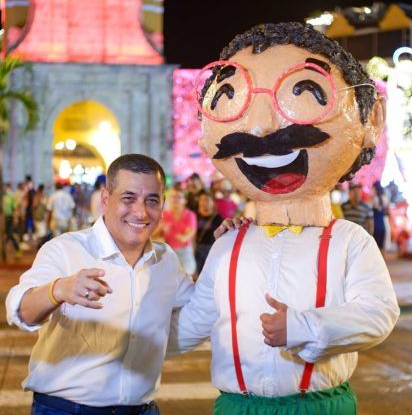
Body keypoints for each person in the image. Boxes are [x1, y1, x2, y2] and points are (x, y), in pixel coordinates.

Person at [169, 22, 398, 414]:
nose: (259, 127)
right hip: (238, 407)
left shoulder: (348, 241)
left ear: (370, 120)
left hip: (318, 405)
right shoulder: (229, 246)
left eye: (305, 91)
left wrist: (303, 328)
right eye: (229, 97)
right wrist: (123, 312)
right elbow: (190, 325)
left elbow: (378, 313)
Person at [6, 154, 192, 415]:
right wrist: (58, 290)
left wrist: (230, 243)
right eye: (128, 198)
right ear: (106, 199)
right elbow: (22, 311)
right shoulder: (65, 249)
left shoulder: (166, 260)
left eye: (152, 200)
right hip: (66, 409)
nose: (140, 212)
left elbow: (204, 307)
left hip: (143, 409)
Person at [162, 189, 198, 277]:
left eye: (179, 197)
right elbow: (155, 234)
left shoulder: (190, 215)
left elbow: (185, 237)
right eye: (173, 197)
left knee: (187, 274)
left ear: (185, 200)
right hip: (168, 251)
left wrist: (168, 230)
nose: (175, 199)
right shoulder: (165, 214)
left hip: (184, 251)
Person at [194, 191, 224, 276]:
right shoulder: (195, 216)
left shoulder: (217, 218)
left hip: (211, 249)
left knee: (210, 274)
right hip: (197, 249)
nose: (204, 202)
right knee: (198, 274)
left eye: (207, 200)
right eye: (201, 200)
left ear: (212, 202)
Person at [2, 183, 21, 256]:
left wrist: (15, 218)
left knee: (9, 234)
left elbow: (15, 208)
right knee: (7, 234)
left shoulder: (10, 196)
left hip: (9, 218)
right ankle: (5, 249)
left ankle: (17, 249)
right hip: (2, 219)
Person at [371, 181, 388, 250]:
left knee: (376, 244)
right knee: (381, 245)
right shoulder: (384, 197)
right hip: (382, 222)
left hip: (375, 222)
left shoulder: (374, 198)